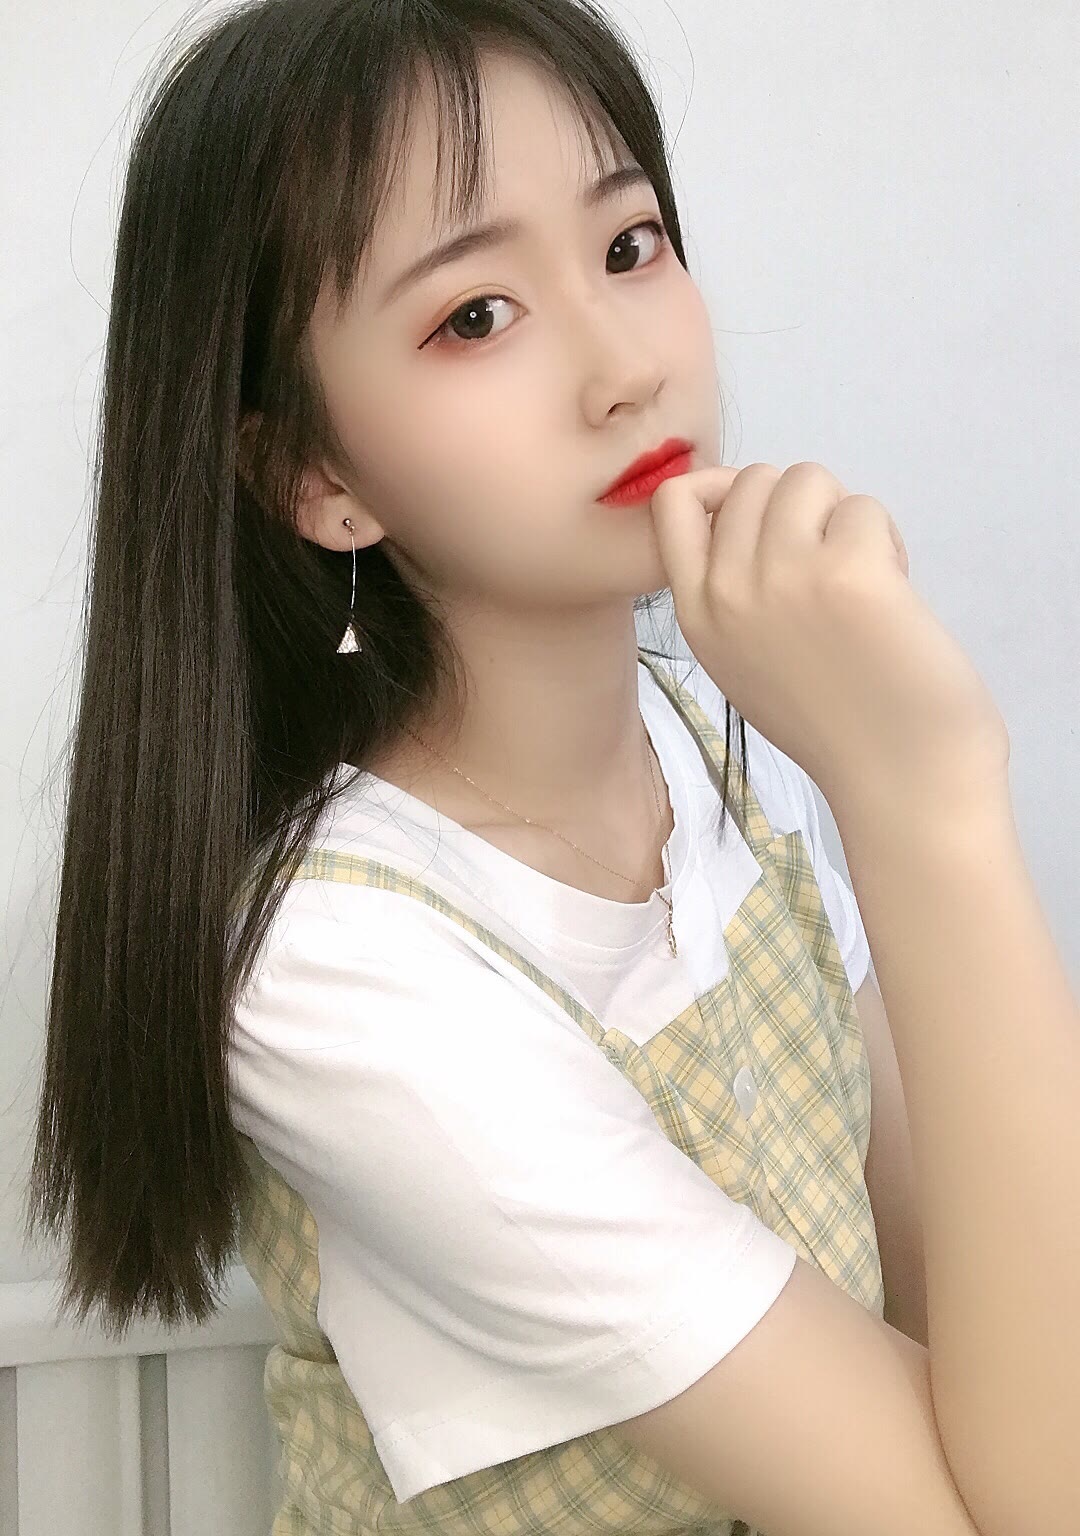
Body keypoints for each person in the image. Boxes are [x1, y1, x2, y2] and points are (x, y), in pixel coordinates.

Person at [23, 3, 1078, 1535]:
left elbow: (997, 1343)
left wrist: (891, 786)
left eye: (630, 246)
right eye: (476, 317)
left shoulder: (720, 741)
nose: (624, 370)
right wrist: (933, 798)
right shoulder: (342, 968)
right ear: (316, 475)